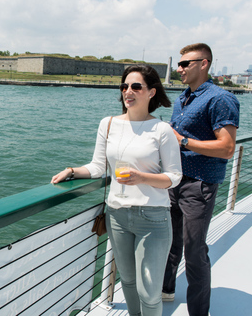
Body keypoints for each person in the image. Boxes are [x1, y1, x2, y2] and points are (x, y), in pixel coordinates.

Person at [51, 65, 182, 316]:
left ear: (151, 92)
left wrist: (141, 177)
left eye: (135, 86)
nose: (127, 91)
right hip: (117, 215)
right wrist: (72, 170)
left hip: (153, 218)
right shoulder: (108, 124)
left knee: (150, 291)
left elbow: (174, 178)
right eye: (124, 86)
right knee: (129, 283)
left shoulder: (161, 130)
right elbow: (99, 166)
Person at [162, 43, 240, 316]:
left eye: (186, 64)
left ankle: (198, 312)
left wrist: (183, 141)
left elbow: (227, 148)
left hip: (200, 183)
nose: (179, 68)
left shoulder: (220, 99)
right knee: (170, 242)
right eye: (179, 64)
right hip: (174, 180)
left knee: (194, 252)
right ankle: (167, 290)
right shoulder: (183, 98)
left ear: (204, 64)